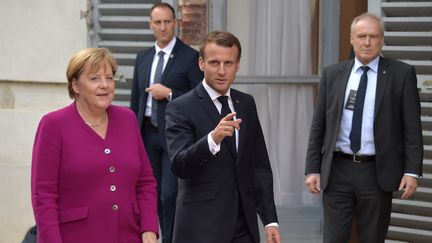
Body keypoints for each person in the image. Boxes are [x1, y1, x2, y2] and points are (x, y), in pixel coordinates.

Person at [305, 13, 423, 243]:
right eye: (361, 36)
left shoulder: (402, 74)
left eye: (373, 36)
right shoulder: (333, 74)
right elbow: (319, 125)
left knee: (372, 238)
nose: (367, 42)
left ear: (381, 40)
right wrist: (312, 168)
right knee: (334, 238)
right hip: (337, 169)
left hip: (376, 172)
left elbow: (412, 127)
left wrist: (411, 171)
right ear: (351, 39)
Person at [31, 48, 159, 243]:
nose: (104, 85)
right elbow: (43, 195)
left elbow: (145, 181)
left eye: (109, 77)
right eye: (94, 79)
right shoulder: (53, 125)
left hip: (129, 237)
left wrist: (149, 228)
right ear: (75, 85)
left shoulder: (128, 119)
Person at [165, 31, 281, 243]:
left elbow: (258, 165)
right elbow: (179, 165)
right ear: (201, 64)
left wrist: (269, 220)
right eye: (214, 63)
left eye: (228, 63)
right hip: (201, 227)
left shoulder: (246, 103)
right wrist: (212, 139)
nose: (221, 71)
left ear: (237, 65)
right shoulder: (180, 107)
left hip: (244, 226)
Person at [130, 3, 203, 242]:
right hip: (146, 135)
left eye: (167, 22)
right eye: (158, 22)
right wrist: (130, 135)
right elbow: (135, 101)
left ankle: (171, 238)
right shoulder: (142, 57)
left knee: (169, 195)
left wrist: (170, 93)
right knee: (148, 194)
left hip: (173, 137)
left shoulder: (190, 56)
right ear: (150, 25)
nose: (163, 27)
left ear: (175, 23)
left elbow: (199, 98)